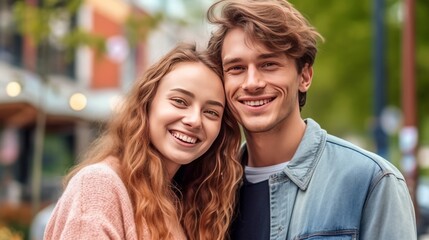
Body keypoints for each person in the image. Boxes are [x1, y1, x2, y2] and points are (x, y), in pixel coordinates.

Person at [206, 0, 417, 239]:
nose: (252, 82)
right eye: (236, 68)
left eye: (269, 64)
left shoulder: (371, 180)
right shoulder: (207, 191)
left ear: (304, 76)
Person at [44, 43, 243, 240]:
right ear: (147, 103)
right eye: (180, 101)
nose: (194, 120)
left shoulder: (190, 204)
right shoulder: (99, 185)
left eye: (211, 112)